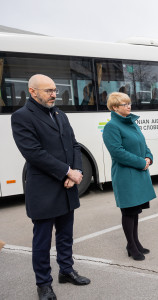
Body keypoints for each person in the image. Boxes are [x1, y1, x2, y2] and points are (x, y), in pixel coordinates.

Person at [11, 74, 90, 300]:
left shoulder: (60, 114)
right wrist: (66, 171)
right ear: (33, 91)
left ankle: (66, 271)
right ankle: (43, 284)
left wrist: (77, 172)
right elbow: (34, 153)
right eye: (48, 91)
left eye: (55, 90)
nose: (54, 94)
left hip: (66, 188)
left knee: (66, 236)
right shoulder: (22, 117)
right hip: (44, 190)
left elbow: (74, 145)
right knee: (42, 241)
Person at [102, 92, 156, 261]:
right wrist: (141, 162)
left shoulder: (132, 123)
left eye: (129, 103)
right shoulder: (112, 126)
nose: (128, 106)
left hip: (139, 173)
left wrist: (148, 157)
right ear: (114, 108)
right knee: (129, 211)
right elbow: (118, 153)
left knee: (135, 211)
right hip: (126, 175)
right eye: (124, 104)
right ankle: (131, 246)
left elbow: (143, 144)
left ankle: (135, 242)